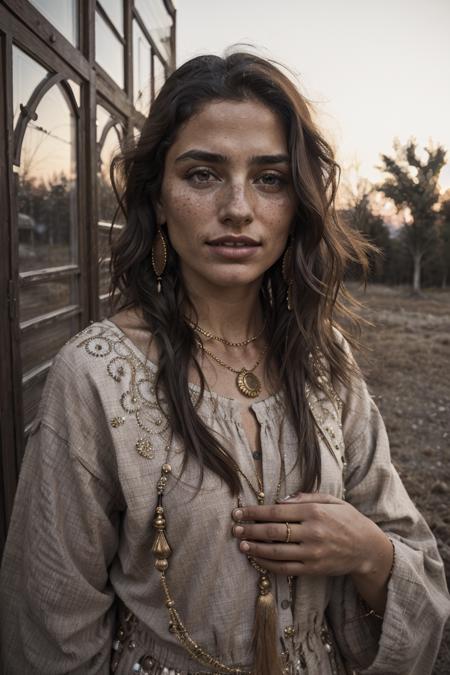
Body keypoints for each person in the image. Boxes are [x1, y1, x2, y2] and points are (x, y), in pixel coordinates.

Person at [1, 51, 449, 675]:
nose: (238, 207)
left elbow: (416, 566)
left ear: (297, 203)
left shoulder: (326, 361)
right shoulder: (96, 376)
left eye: (269, 178)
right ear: (158, 196)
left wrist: (367, 552)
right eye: (204, 174)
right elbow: (52, 622)